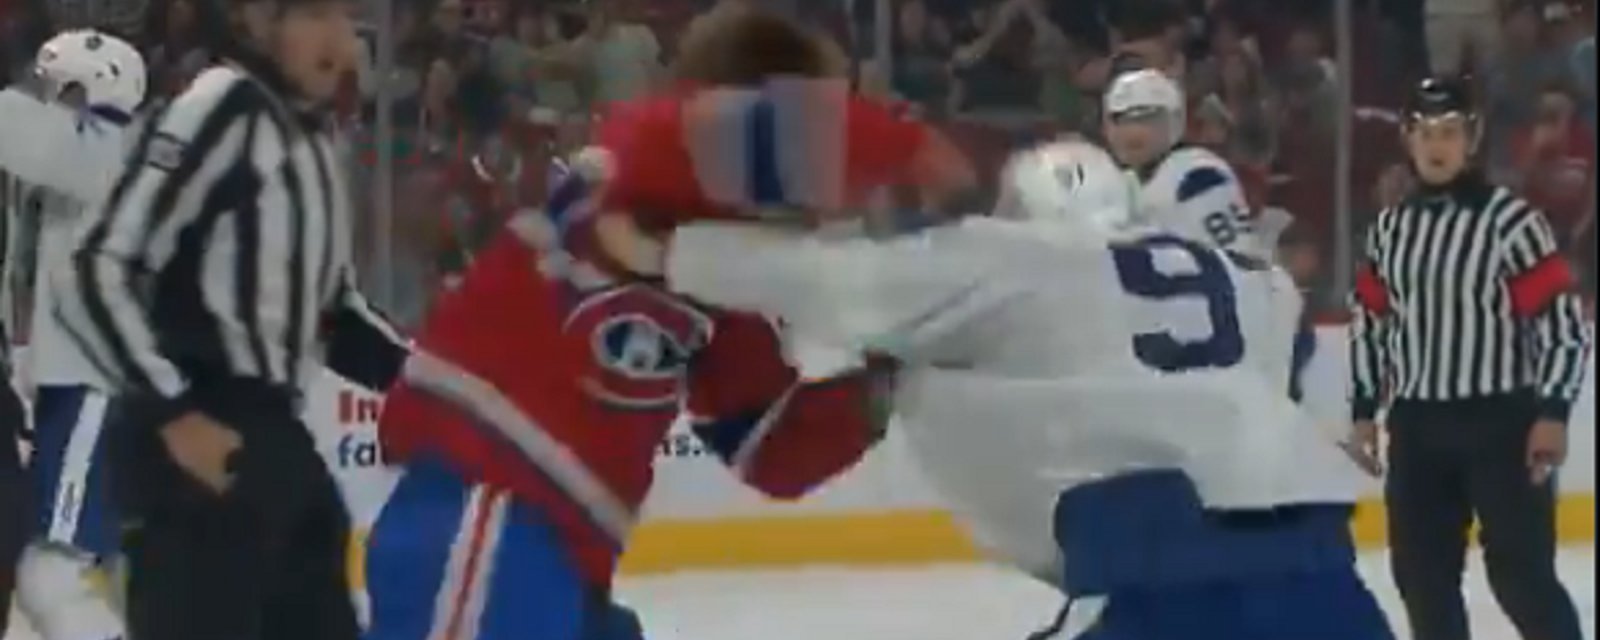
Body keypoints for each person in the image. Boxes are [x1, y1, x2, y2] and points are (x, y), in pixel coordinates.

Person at [599, 139, 1389, 640]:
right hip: (1324, 570)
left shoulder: (1014, 261)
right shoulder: (1252, 279)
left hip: (1157, 578)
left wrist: (670, 251)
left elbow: (840, 284)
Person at [363, 8, 976, 640]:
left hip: (565, 558)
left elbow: (768, 448)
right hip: (484, 507)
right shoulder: (638, 162)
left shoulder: (714, 279)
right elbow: (703, 141)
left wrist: (893, 382)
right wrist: (909, 149)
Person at [50, 0, 410, 637]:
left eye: (344, 16)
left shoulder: (315, 139)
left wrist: (435, 388)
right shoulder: (224, 105)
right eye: (313, 15)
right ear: (257, 22)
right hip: (200, 445)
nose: (338, 38)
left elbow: (331, 316)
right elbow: (95, 263)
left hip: (276, 444)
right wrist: (174, 413)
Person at [1346, 76, 1591, 640]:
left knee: (1521, 579)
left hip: (1502, 423)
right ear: (1407, 138)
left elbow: (1561, 326)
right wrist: (1363, 408)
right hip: (1417, 426)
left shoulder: (1511, 223)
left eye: (1451, 132)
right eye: (1425, 132)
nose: (1438, 145)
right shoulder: (1388, 230)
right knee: (1420, 579)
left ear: (1472, 139)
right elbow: (1372, 322)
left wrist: (1552, 411)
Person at [0, 28, 147, 640]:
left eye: (59, 87)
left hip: (93, 386)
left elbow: (29, 139)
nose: (46, 101)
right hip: (74, 387)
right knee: (70, 563)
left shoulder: (111, 150)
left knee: (51, 569)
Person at [1101, 69, 1266, 259]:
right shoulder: (1119, 185)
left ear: (1175, 120)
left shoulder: (1197, 173)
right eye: (1121, 119)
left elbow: (1239, 260)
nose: (1133, 131)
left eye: (1148, 118)